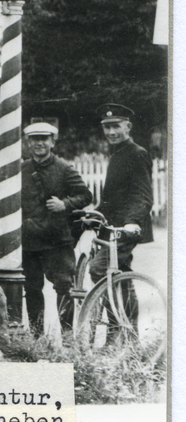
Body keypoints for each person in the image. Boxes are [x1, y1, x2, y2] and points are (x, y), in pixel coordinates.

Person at [20, 122, 92, 336]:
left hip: (56, 240)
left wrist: (65, 204)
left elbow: (86, 196)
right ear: (28, 142)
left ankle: (68, 338)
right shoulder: (22, 170)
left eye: (44, 138)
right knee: (31, 289)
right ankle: (36, 338)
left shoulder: (64, 168)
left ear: (53, 141)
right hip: (30, 240)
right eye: (34, 139)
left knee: (64, 287)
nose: (39, 143)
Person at [88, 103, 154, 337]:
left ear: (128, 127)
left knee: (99, 269)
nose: (111, 132)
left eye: (116, 126)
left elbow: (143, 195)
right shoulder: (117, 154)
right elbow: (111, 198)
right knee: (120, 276)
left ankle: (117, 329)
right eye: (106, 127)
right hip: (112, 227)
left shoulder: (137, 153)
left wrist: (133, 222)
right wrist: (92, 213)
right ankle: (129, 335)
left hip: (126, 229)